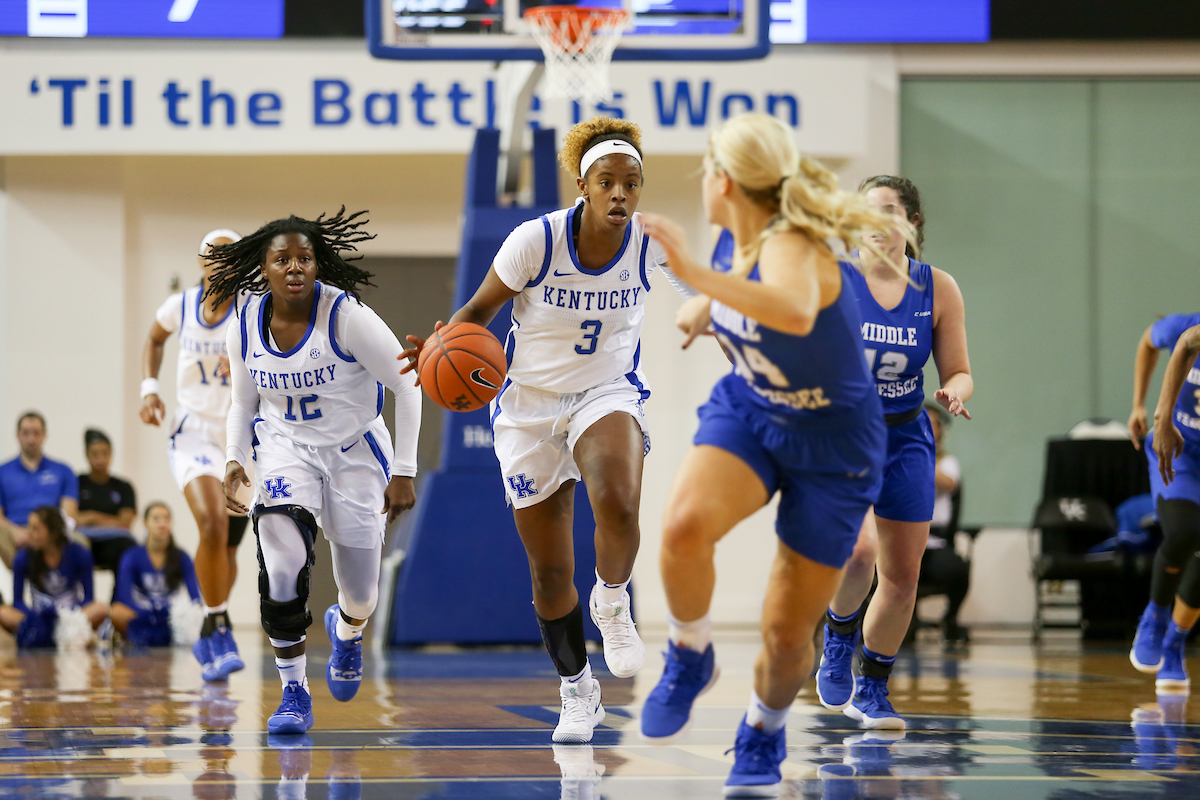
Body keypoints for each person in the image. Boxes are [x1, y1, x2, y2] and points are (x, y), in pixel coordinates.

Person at [401, 117, 690, 744]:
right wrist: (441, 349)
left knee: (617, 496)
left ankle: (612, 600)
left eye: (632, 184)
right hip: (529, 407)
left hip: (606, 390)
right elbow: (477, 312)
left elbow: (705, 294)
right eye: (608, 182)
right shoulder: (536, 240)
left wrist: (728, 326)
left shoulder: (650, 242)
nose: (620, 194)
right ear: (584, 185)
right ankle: (577, 690)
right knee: (551, 571)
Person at [636, 112, 896, 795]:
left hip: (833, 443)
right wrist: (706, 304)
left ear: (721, 180)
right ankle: (690, 653)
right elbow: (746, 292)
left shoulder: (794, 243)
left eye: (703, 170)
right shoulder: (739, 238)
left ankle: (763, 726)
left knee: (785, 638)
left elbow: (792, 310)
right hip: (753, 411)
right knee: (684, 527)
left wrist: (694, 276)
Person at [213, 208, 421, 734]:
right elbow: (242, 402)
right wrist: (235, 458)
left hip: (354, 453)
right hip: (286, 450)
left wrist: (404, 470)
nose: (294, 267)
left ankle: (347, 632)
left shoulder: (346, 316)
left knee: (361, 593)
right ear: (264, 267)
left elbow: (406, 384)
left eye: (304, 257)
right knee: (280, 563)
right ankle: (293, 691)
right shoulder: (244, 321)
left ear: (318, 263)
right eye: (282, 258)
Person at [815, 176, 973, 731]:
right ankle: (838, 633)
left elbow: (958, 368)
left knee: (902, 575)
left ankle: (873, 689)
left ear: (911, 223)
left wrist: (955, 390)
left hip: (906, 436)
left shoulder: (938, 288)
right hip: (845, 434)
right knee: (858, 554)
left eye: (890, 211)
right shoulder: (832, 279)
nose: (878, 221)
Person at [140, 228, 253, 682]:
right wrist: (149, 388)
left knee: (227, 547)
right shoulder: (181, 306)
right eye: (215, 257)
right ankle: (221, 626)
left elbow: (284, 351)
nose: (223, 264)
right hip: (192, 434)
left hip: (243, 438)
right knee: (212, 522)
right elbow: (154, 339)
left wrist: (246, 357)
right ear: (203, 262)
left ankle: (208, 625)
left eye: (232, 258)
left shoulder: (253, 308)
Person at [1130, 313, 1200, 689]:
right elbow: (1150, 342)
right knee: (1185, 531)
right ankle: (1155, 616)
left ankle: (1175, 644)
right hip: (1180, 448)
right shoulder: (1186, 328)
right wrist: (1144, 407)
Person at [0, 506, 109, 647]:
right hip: (38, 617)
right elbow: (18, 601)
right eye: (29, 527)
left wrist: (66, 615)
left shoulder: (80, 553)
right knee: (3, 612)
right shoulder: (23, 557)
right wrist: (34, 617)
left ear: (53, 532)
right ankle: (54, 635)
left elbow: (89, 597)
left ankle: (56, 635)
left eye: (36, 529)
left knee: (101, 608)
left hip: (71, 617)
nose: (29, 533)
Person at [111, 502, 202, 647]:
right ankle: (135, 637)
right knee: (116, 612)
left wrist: (178, 616)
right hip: (141, 615)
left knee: (198, 614)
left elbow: (195, 599)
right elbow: (123, 597)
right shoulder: (131, 556)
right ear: (145, 524)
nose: (162, 524)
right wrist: (148, 614)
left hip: (169, 618)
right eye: (156, 519)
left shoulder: (182, 557)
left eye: (166, 519)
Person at [0, 412, 79, 570]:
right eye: (26, 433)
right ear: (18, 435)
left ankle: (68, 590)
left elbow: (69, 514)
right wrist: (15, 531)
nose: (31, 439)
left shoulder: (63, 471)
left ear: (44, 435)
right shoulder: (3, 472)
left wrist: (44, 533)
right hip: (14, 531)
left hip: (52, 531)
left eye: (36, 433)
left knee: (81, 543)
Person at [921, 402, 971, 642]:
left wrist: (918, 456)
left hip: (935, 543)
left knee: (958, 569)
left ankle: (950, 619)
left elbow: (948, 483)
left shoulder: (946, 462)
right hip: (906, 543)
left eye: (932, 425)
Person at [76, 429, 138, 573]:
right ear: (87, 454)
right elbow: (72, 519)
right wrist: (111, 520)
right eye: (95, 454)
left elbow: (125, 523)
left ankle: (120, 595)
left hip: (112, 542)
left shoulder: (123, 487)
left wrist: (91, 517)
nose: (100, 459)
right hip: (82, 540)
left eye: (105, 453)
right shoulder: (77, 483)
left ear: (111, 454)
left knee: (128, 548)